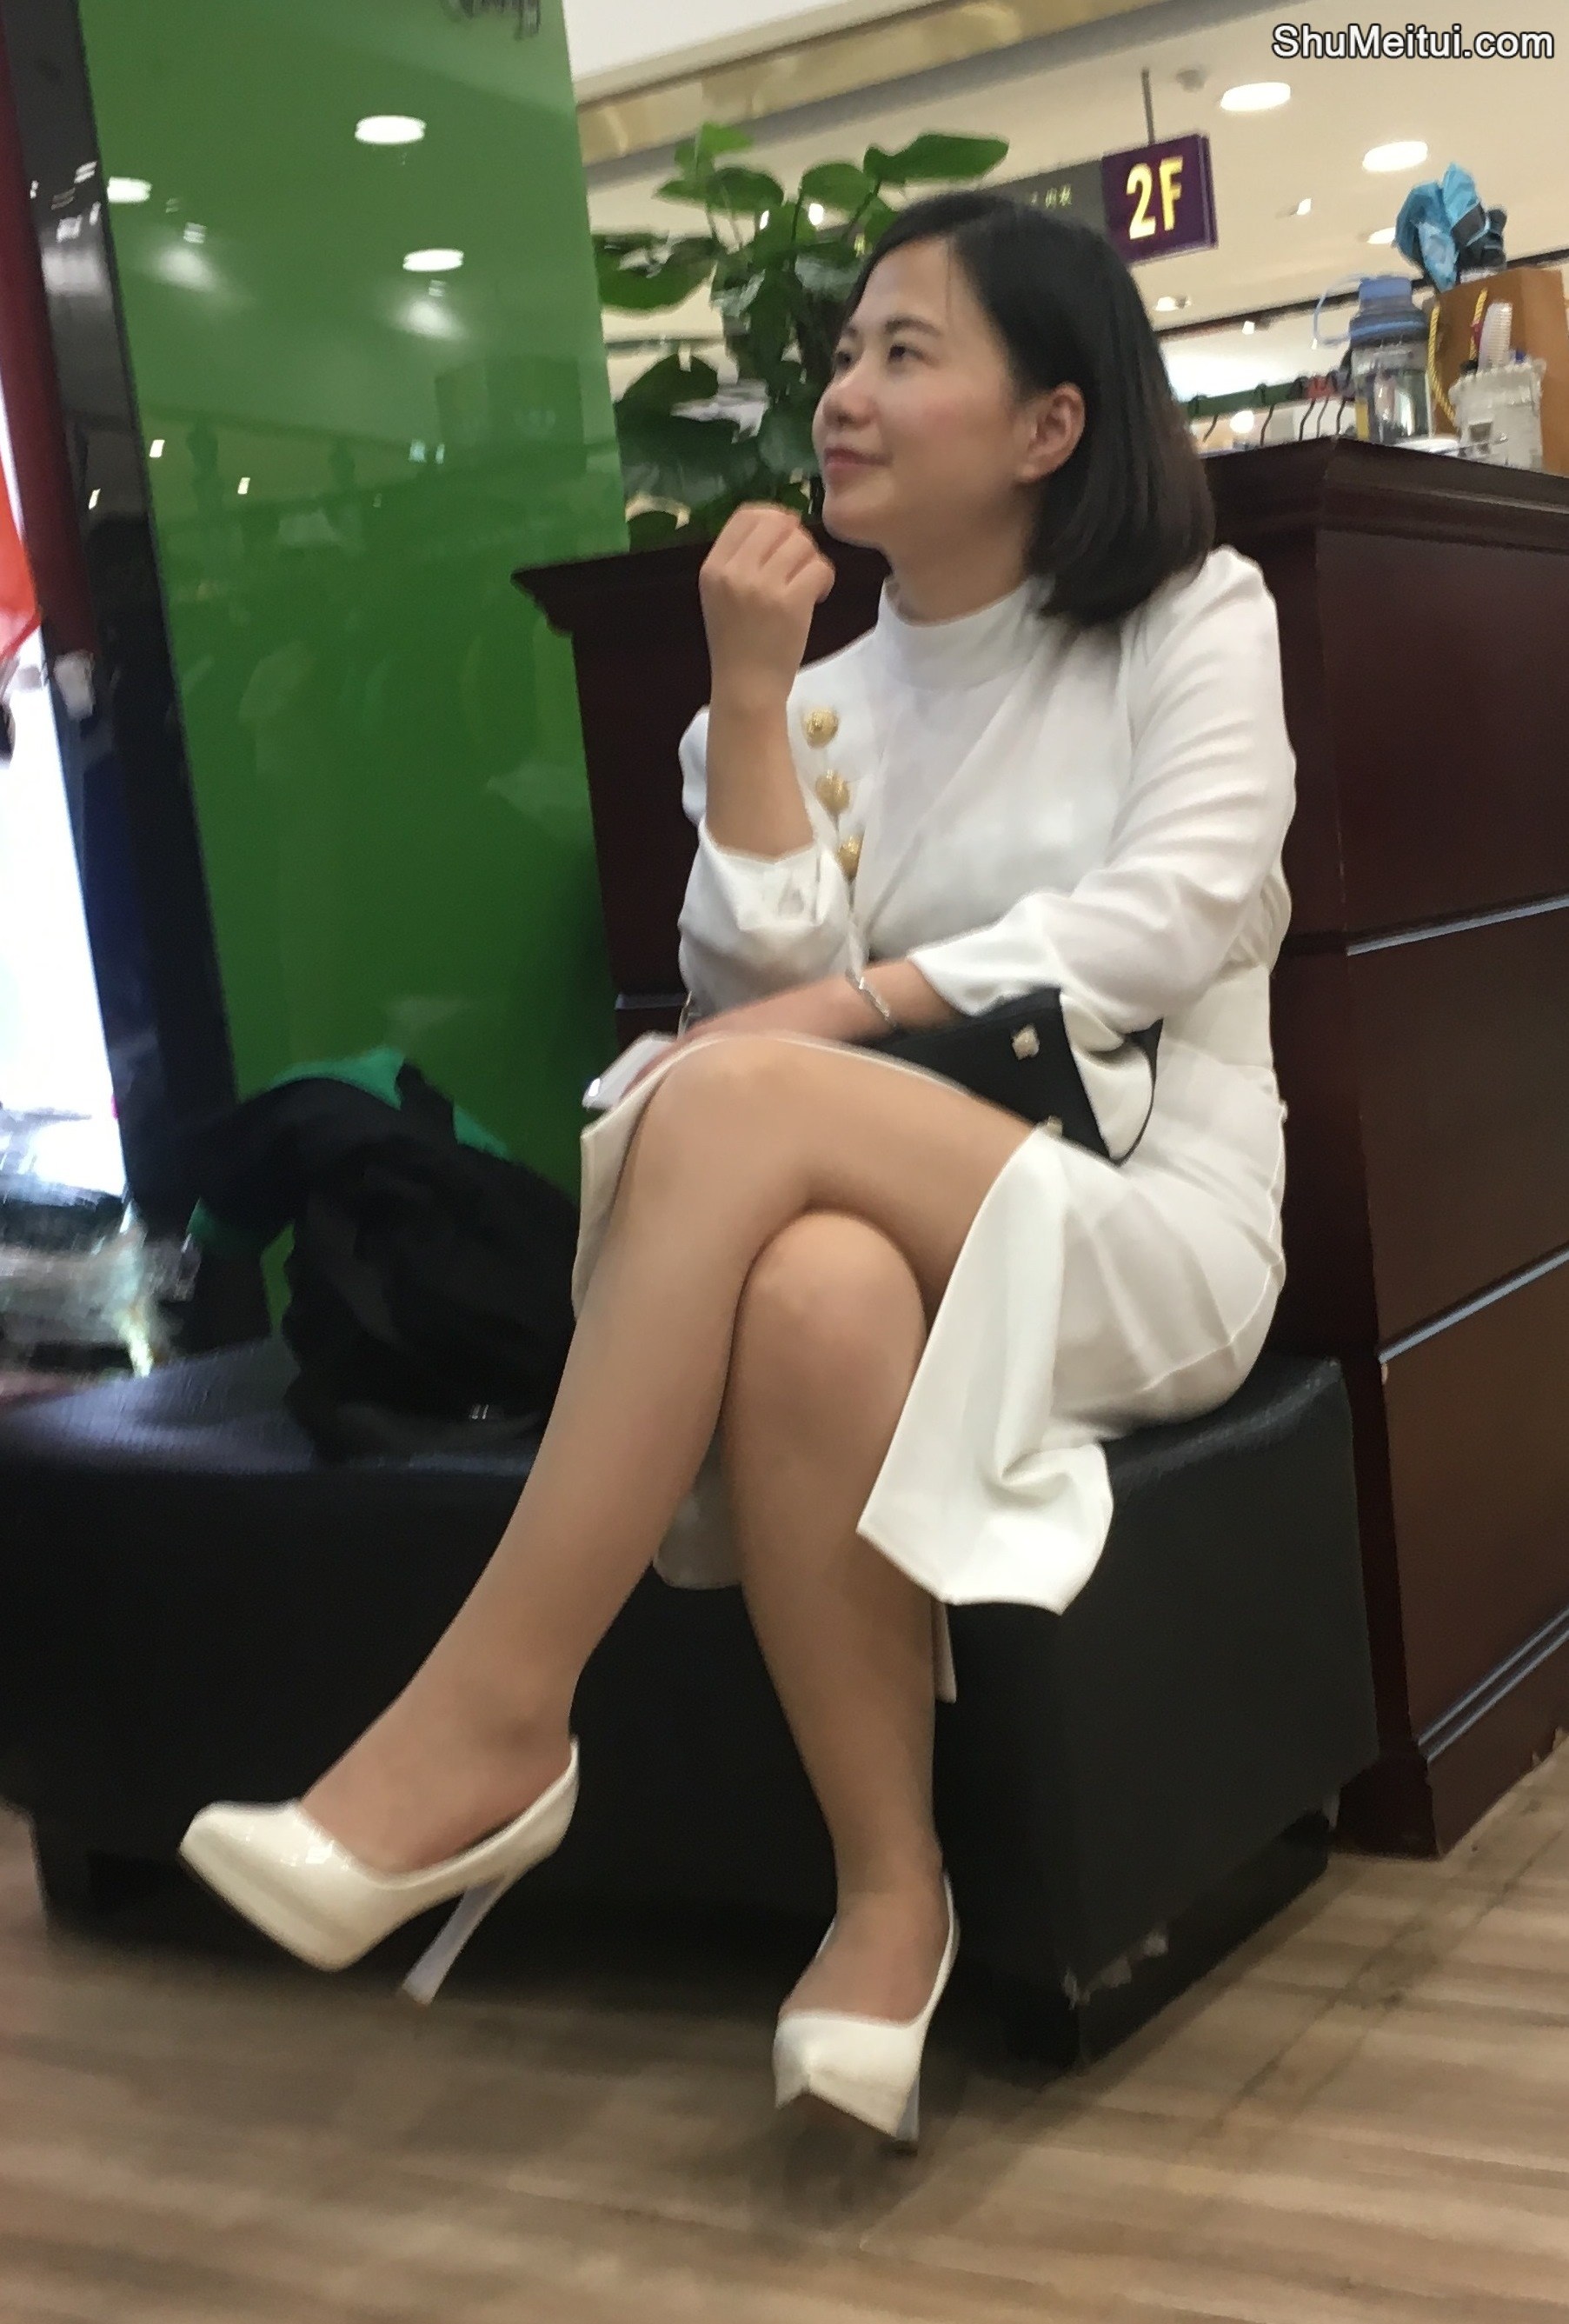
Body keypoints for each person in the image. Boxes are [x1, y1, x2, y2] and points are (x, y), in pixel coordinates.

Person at [181, 190, 1295, 2148]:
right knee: (805, 1286)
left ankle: (498, 1713)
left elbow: (1168, 917)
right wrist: (758, 696)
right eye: (843, 352)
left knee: (733, 1101)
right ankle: (890, 1895)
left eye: (903, 353)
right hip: (880, 1219)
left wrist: (842, 1012)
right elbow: (746, 991)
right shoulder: (805, 701)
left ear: (1050, 424)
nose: (841, 393)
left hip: (1143, 1211)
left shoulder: (1190, 619)